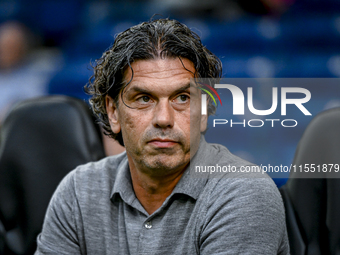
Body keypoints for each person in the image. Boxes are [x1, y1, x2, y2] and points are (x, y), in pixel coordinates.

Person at [35, 18, 289, 254]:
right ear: (113, 113)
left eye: (182, 98)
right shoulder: (79, 191)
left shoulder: (244, 192)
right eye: (144, 99)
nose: (164, 119)